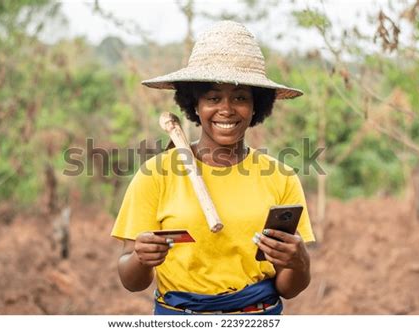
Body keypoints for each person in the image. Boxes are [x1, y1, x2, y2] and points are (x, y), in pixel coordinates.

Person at [111, 21, 315, 315]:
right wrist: (141, 258)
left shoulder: (281, 178)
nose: (227, 109)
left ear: (257, 105)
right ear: (194, 104)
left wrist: (299, 261)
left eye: (241, 97)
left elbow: (288, 287)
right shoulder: (156, 174)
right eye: (213, 97)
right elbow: (131, 281)